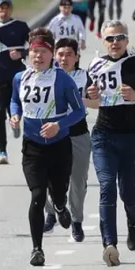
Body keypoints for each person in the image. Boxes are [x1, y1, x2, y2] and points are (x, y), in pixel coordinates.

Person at [83, 21, 135, 265]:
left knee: (128, 191)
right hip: (103, 135)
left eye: (119, 37)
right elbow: (88, 97)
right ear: (103, 42)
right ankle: (109, 244)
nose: (114, 42)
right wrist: (91, 95)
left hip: (132, 136)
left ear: (127, 41)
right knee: (107, 186)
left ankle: (134, 224)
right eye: (109, 38)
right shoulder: (95, 65)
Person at [10, 33, 85, 266]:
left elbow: (79, 111)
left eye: (44, 52)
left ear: (52, 54)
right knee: (37, 195)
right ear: (28, 54)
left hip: (59, 145)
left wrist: (58, 125)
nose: (39, 56)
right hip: (32, 146)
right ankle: (37, 249)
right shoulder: (20, 77)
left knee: (59, 192)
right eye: (35, 52)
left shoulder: (61, 79)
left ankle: (62, 206)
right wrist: (14, 115)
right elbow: (14, 100)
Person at [0, 0, 30, 165]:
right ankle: (2, 150)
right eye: (1, 8)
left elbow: (34, 45)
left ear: (11, 10)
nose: (4, 11)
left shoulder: (20, 26)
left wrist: (21, 54)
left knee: (17, 107)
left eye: (7, 8)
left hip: (17, 74)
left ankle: (16, 121)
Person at [54, 39, 93, 244]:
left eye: (69, 54)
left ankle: (77, 222)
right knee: (49, 178)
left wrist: (82, 101)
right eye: (60, 54)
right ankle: (53, 212)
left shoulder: (84, 76)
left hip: (78, 134)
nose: (64, 58)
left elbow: (98, 101)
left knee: (77, 181)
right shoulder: (47, 77)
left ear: (77, 57)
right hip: (52, 134)